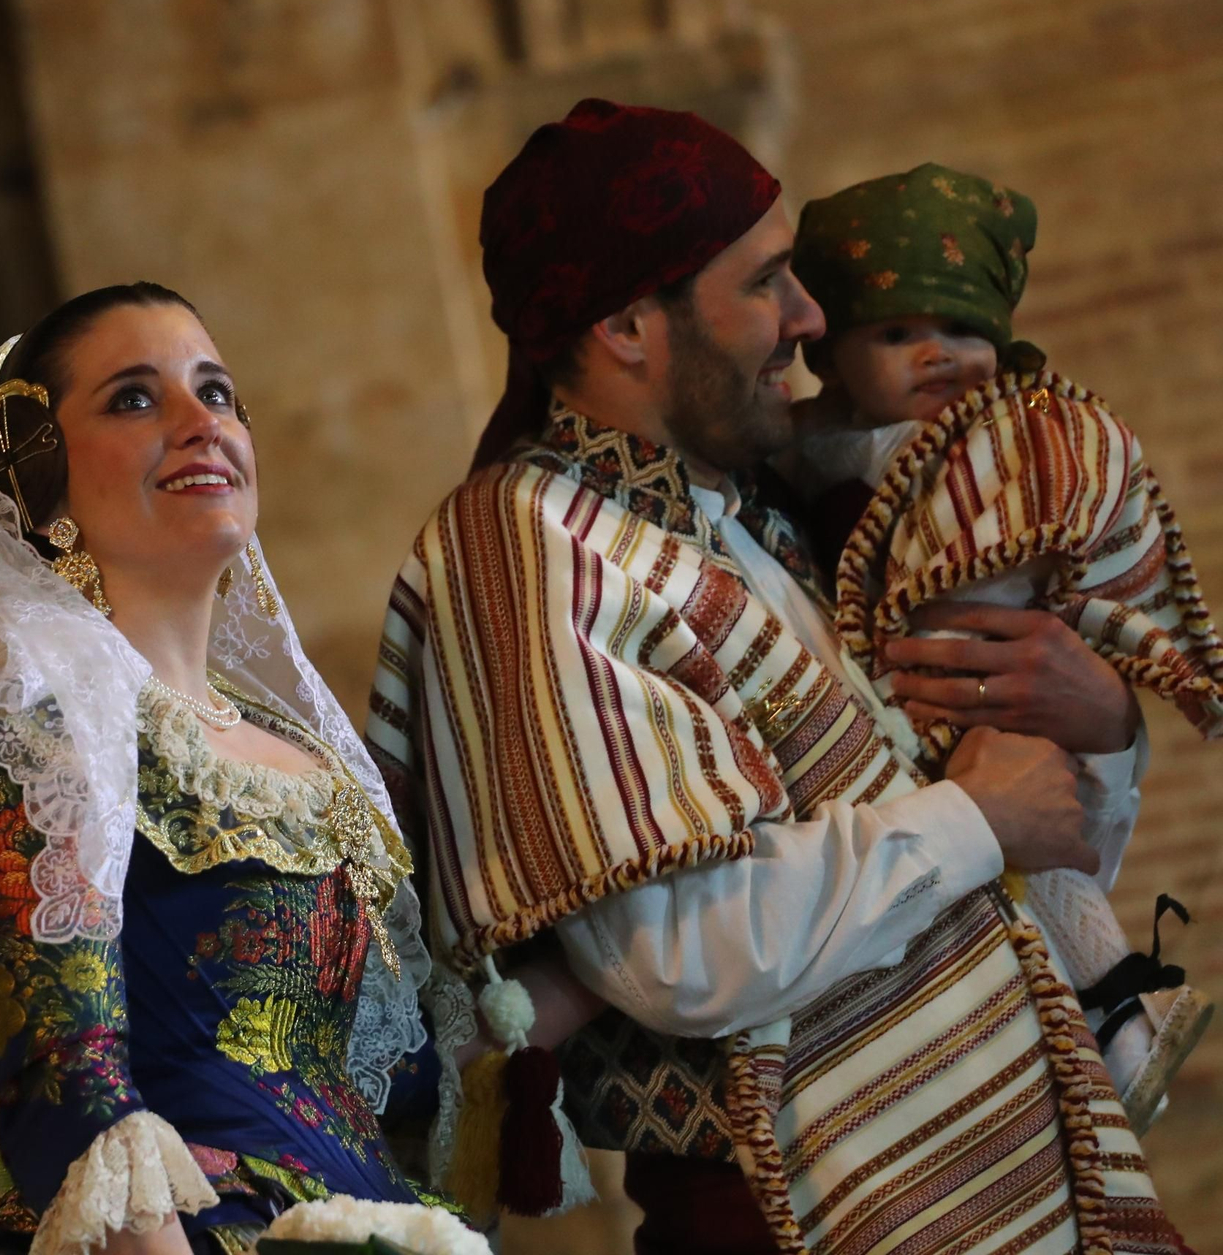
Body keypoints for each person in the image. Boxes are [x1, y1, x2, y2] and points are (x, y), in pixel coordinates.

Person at [367, 100, 1190, 1252]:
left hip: (1019, 1160)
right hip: (797, 1211)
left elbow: (1032, 857)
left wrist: (1096, 728)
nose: (809, 316)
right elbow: (672, 950)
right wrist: (972, 819)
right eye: (763, 283)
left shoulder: (777, 500)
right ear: (623, 325)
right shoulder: (529, 539)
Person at [0, 283, 478, 1255]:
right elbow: (66, 1087)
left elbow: (396, 1085)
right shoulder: (24, 733)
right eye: (133, 397)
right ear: (42, 474)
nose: (199, 421)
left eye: (216, 391)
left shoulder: (302, 760)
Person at [785, 162, 1218, 1133]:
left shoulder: (1011, 441)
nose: (937, 354)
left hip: (996, 714)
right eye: (897, 334)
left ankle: (1119, 1029)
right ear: (834, 356)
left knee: (1050, 871)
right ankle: (1109, 1024)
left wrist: (1107, 711)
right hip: (901, 802)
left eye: (961, 330)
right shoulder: (809, 463)